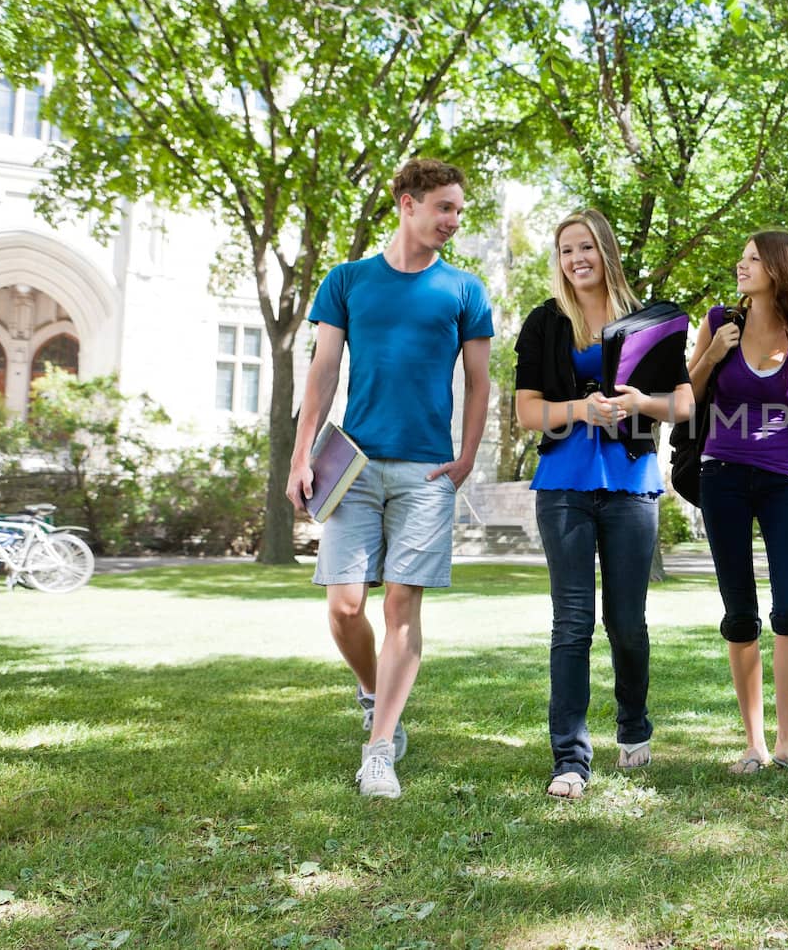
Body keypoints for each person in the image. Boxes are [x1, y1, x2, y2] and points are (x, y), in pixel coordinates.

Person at [287, 158, 494, 800]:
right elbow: (322, 374)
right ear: (407, 204)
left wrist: (465, 458)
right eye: (445, 208)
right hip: (353, 465)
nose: (454, 221)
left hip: (427, 472)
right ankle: (374, 690)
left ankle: (380, 747)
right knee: (345, 606)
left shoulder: (464, 290)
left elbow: (482, 382)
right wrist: (300, 457)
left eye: (459, 210)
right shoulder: (348, 281)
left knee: (402, 606)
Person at [514, 209, 693, 801]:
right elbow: (527, 412)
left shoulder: (650, 323)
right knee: (572, 623)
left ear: (606, 251)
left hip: (632, 484)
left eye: (585, 247)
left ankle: (634, 727)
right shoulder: (544, 323)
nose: (575, 259)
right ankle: (570, 757)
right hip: (563, 486)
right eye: (566, 250)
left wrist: (644, 401)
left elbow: (685, 403)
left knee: (627, 622)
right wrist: (580, 410)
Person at [688, 230, 788, 778]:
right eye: (741, 257)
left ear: (779, 268)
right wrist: (714, 355)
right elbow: (686, 400)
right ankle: (753, 744)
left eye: (752, 259)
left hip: (783, 480)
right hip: (721, 476)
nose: (741, 266)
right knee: (740, 612)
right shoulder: (719, 322)